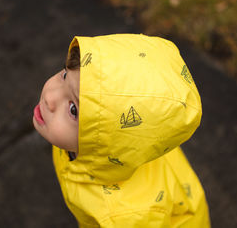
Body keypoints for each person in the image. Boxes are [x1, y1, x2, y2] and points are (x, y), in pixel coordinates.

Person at [33, 34, 210, 227]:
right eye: (65, 75)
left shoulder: (123, 218)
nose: (50, 96)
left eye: (73, 109)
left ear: (109, 143)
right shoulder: (75, 137)